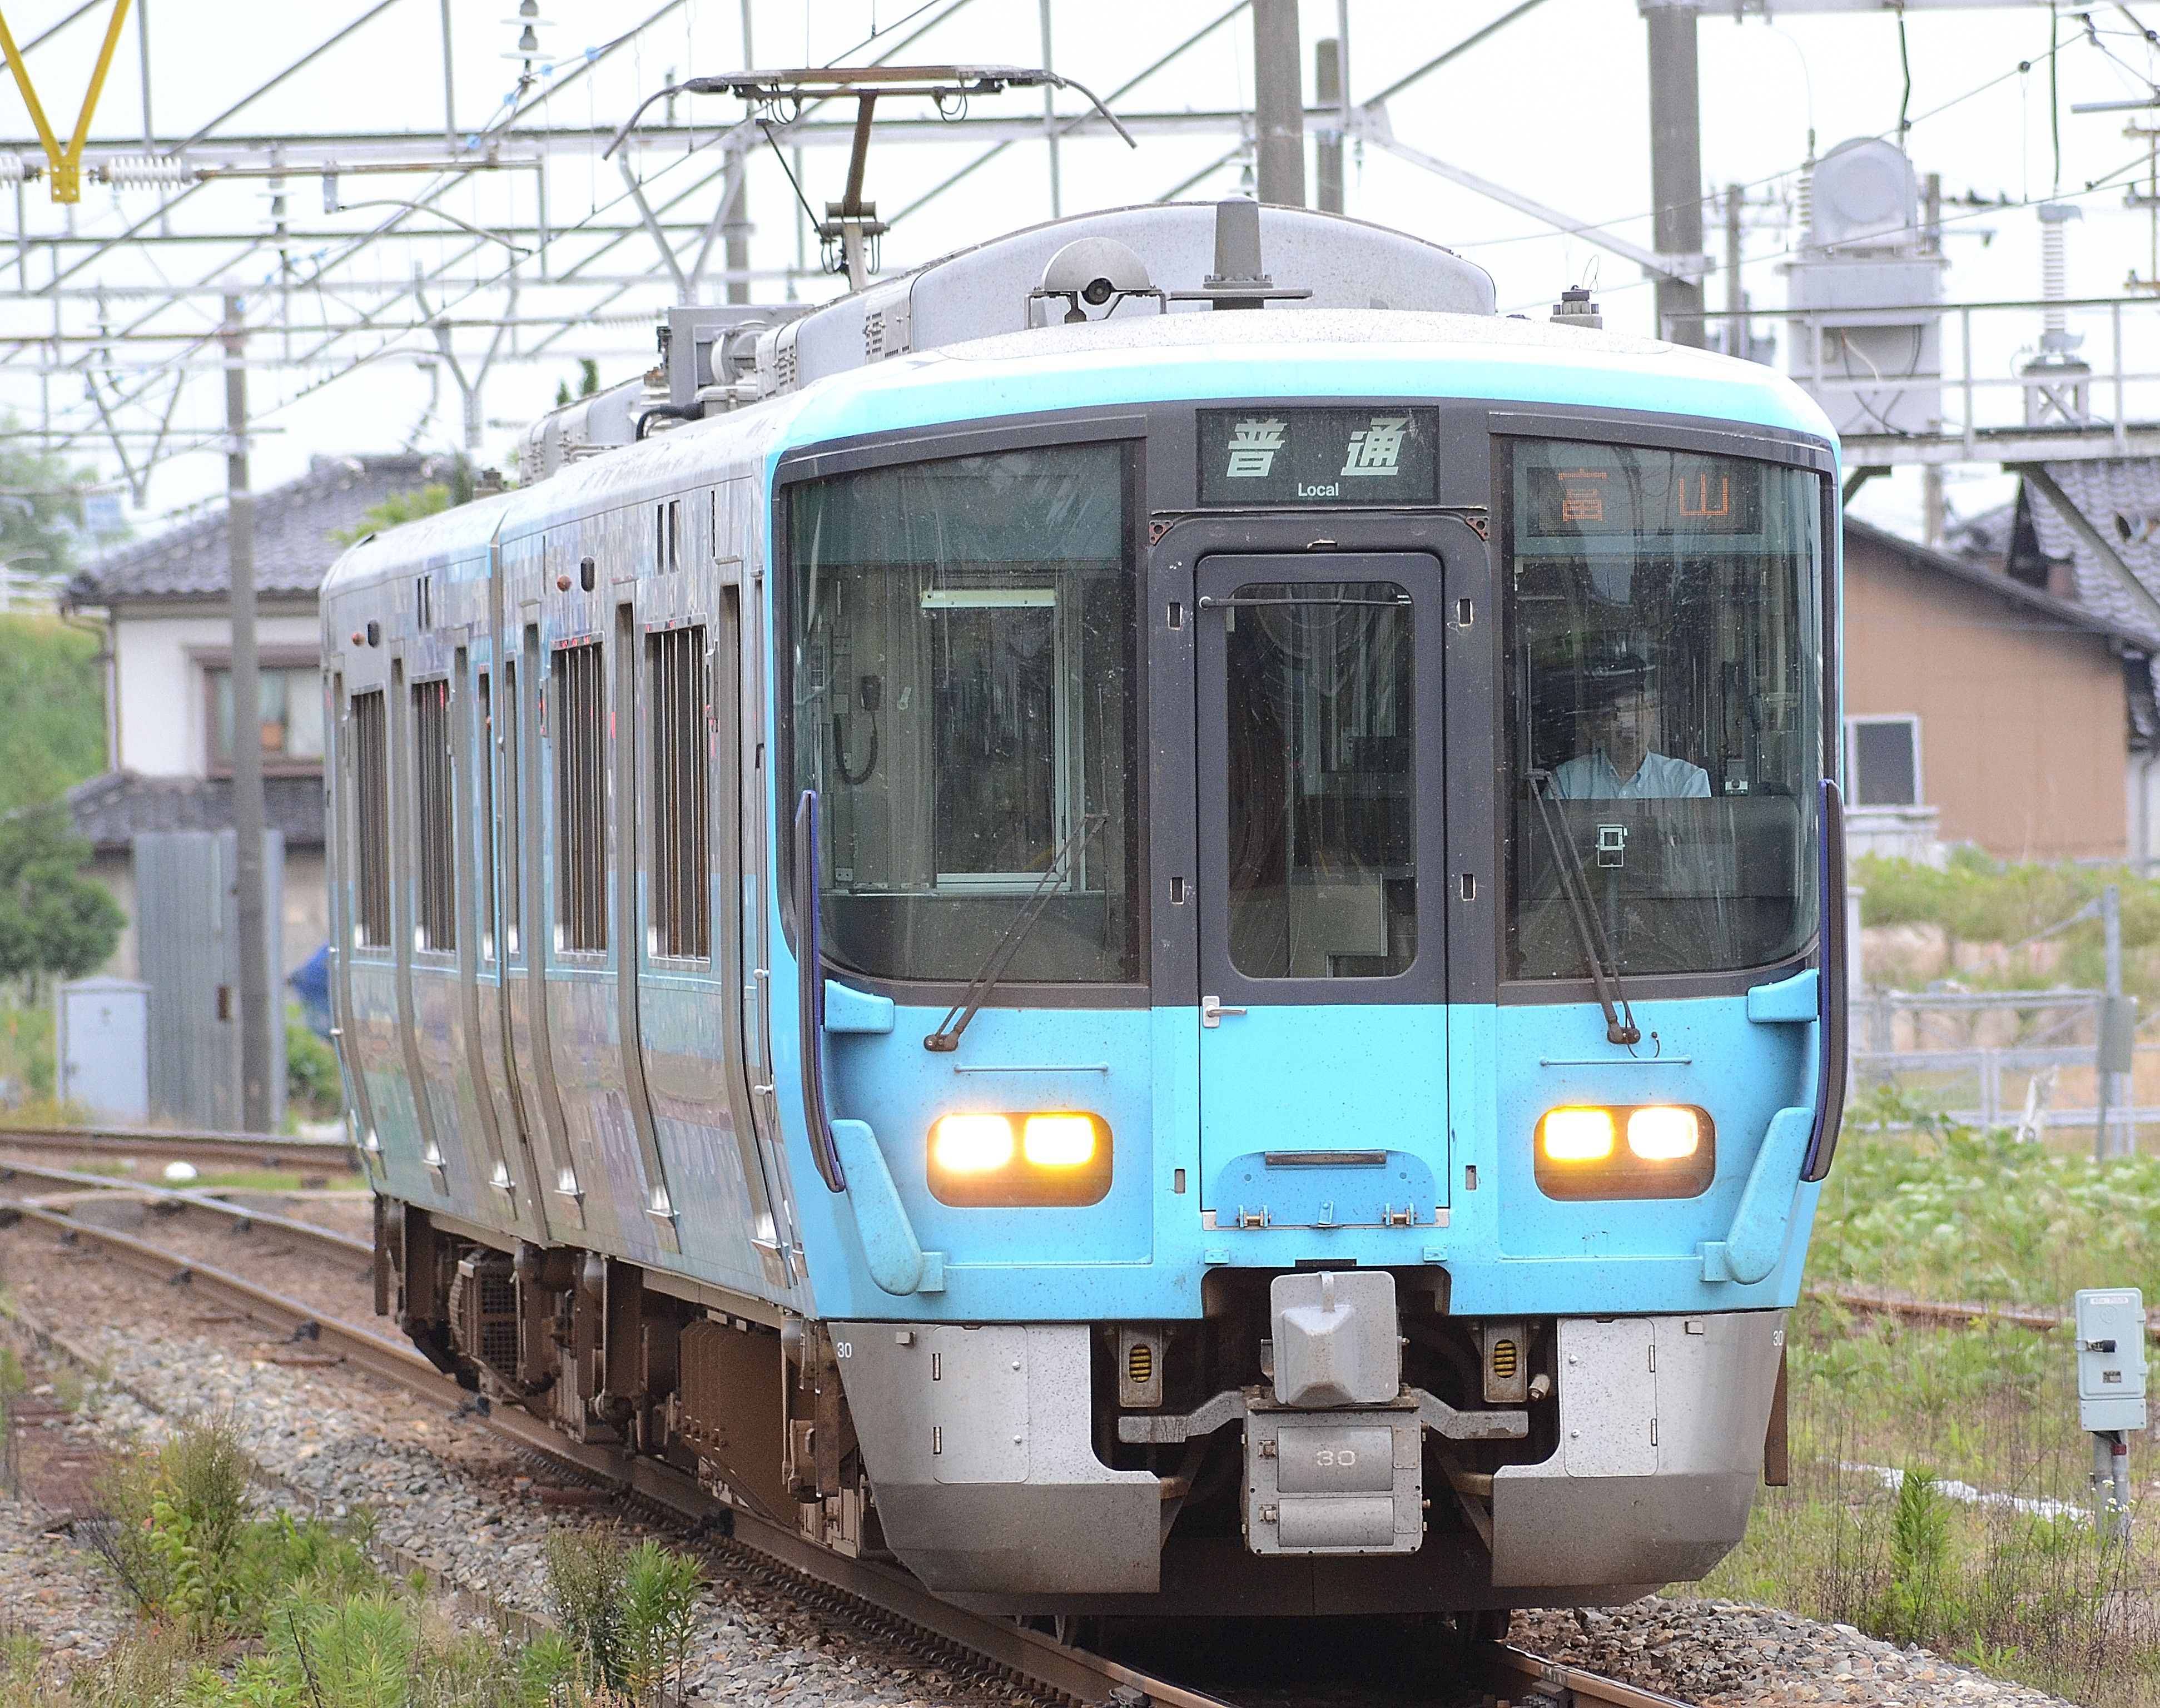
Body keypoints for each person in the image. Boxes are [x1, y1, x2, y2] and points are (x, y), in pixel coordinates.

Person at [1550, 656, 1710, 800]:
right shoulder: (1567, 783)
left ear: (1650, 714)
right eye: (1611, 712)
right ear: (1591, 728)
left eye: (1633, 707)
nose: (1626, 722)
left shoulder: (1687, 781)